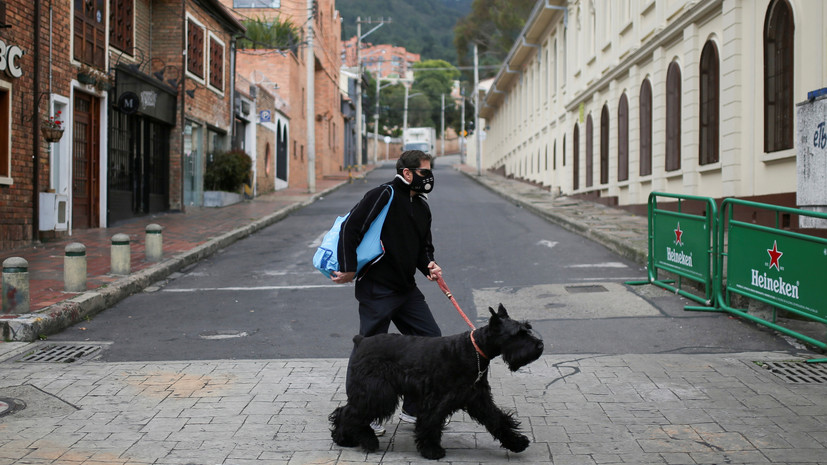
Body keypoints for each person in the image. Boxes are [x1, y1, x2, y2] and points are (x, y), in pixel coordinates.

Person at [331, 150, 443, 435]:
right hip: (377, 288)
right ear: (407, 173)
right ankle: (360, 413)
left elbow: (423, 247)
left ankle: (413, 409)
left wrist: (429, 265)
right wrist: (348, 268)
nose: (429, 178)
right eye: (424, 172)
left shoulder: (422, 206)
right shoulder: (383, 195)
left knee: (431, 340)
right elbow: (350, 228)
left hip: (406, 289)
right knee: (368, 350)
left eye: (430, 172)